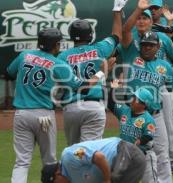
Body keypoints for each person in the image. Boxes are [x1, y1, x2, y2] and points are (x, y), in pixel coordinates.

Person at [6, 28, 102, 183]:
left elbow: (9, 72)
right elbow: (82, 85)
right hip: (44, 115)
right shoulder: (58, 64)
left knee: (22, 162)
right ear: (56, 45)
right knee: (50, 162)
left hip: (22, 114)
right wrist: (101, 73)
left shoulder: (25, 55)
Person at [57, 0, 130, 145]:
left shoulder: (62, 57)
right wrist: (116, 11)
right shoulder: (100, 49)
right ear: (90, 35)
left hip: (71, 106)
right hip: (93, 105)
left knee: (74, 151)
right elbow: (117, 35)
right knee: (91, 151)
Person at [121, 27, 173, 182]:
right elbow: (125, 33)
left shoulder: (164, 67)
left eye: (151, 45)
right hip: (132, 115)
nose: (147, 48)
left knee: (162, 153)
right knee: (130, 153)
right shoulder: (132, 57)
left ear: (158, 47)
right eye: (144, 44)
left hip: (155, 116)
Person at [108, 83, 157, 182]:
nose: (132, 100)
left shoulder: (148, 119)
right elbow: (111, 104)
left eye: (135, 98)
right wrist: (113, 89)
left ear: (143, 104)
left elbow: (148, 136)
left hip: (144, 155)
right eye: (133, 97)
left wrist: (139, 141)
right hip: (126, 155)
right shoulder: (124, 110)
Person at [41, 137, 146, 183]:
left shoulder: (69, 156)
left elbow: (98, 157)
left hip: (126, 152)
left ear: (57, 174)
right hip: (124, 166)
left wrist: (107, 180)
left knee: (114, 178)